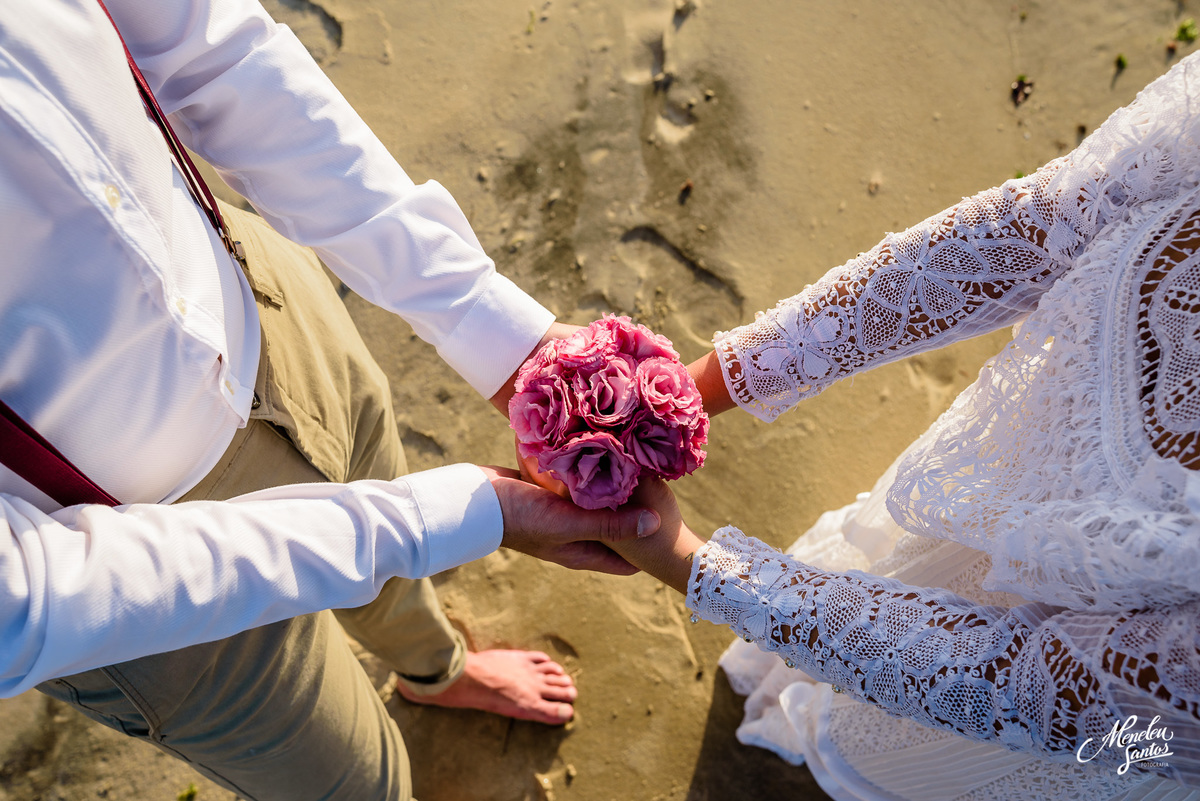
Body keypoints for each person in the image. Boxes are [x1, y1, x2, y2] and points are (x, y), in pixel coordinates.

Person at [0, 1, 658, 799]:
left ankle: (433, 668)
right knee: (353, 785)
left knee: (396, 567)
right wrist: (444, 515)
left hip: (263, 305)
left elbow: (212, 47)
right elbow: (23, 598)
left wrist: (496, 334)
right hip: (121, 578)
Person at [613, 49, 1200, 801]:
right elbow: (1033, 227)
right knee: (885, 572)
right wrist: (689, 393)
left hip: (1050, 728)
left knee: (878, 748)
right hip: (980, 489)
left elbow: (1016, 686)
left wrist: (693, 564)